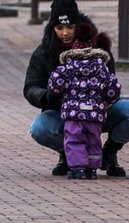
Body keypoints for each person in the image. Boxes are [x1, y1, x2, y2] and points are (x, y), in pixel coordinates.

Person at [24, 0, 129, 177]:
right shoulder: (44, 52)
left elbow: (111, 80)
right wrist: (49, 96)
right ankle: (69, 155)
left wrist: (105, 98)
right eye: (59, 27)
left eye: (70, 26)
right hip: (64, 113)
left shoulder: (98, 48)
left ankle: (109, 153)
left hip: (98, 111)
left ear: (79, 25)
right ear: (53, 28)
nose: (65, 33)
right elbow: (30, 88)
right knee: (40, 128)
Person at [48, 21, 122, 179]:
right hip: (95, 114)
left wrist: (59, 94)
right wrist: (108, 100)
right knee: (93, 141)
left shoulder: (68, 66)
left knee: (74, 140)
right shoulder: (102, 67)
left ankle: (78, 168)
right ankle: (93, 169)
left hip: (73, 114)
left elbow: (54, 84)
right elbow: (113, 87)